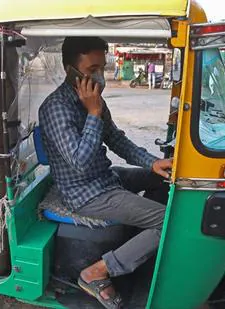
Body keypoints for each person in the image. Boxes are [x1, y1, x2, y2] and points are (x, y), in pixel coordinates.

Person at [38, 36, 173, 309]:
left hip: (106, 178)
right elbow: (80, 162)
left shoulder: (93, 100)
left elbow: (117, 140)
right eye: (92, 70)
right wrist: (93, 113)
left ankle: (139, 244)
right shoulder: (56, 108)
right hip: (86, 193)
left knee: (164, 179)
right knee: (171, 222)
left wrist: (151, 162)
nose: (99, 76)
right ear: (70, 70)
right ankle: (97, 272)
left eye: (102, 67)